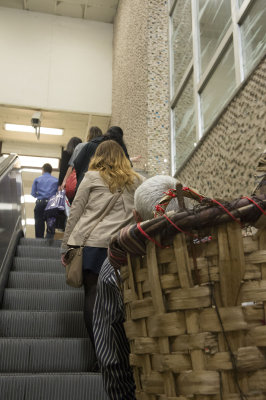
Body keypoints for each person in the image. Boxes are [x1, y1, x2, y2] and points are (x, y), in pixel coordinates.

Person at [93, 175, 183, 400]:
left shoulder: (117, 268)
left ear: (136, 217)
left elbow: (111, 353)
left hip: (151, 387)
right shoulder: (211, 250)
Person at [60, 140, 144, 355]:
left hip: (93, 246)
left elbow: (76, 212)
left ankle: (100, 354)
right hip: (123, 246)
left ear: (98, 157)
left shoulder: (91, 177)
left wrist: (65, 247)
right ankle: (125, 352)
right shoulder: (138, 181)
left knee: (93, 297)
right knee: (122, 298)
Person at [74, 126, 138, 190]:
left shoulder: (91, 144)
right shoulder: (120, 148)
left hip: (84, 183)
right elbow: (127, 165)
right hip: (108, 187)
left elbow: (77, 162)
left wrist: (81, 176)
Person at [59, 127, 103, 191]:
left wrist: (64, 182)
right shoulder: (103, 148)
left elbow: (72, 165)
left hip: (80, 179)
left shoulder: (81, 146)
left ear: (89, 135)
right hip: (97, 180)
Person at [31, 163, 58, 238]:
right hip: (52, 205)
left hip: (40, 204)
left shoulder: (37, 179)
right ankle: (49, 244)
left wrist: (40, 196)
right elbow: (58, 193)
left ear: (43, 170)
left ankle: (39, 243)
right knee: (51, 226)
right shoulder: (56, 180)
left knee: (39, 225)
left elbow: (33, 193)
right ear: (51, 171)